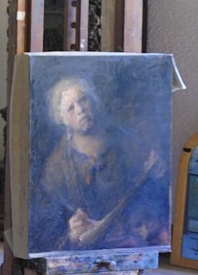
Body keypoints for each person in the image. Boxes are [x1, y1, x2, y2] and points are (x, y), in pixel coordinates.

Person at [31, 76, 165, 252]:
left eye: (83, 100)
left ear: (92, 100)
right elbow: (47, 222)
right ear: (61, 118)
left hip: (129, 239)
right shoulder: (56, 166)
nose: (80, 110)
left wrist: (157, 172)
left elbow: (150, 196)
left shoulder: (126, 143)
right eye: (71, 108)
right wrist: (71, 232)